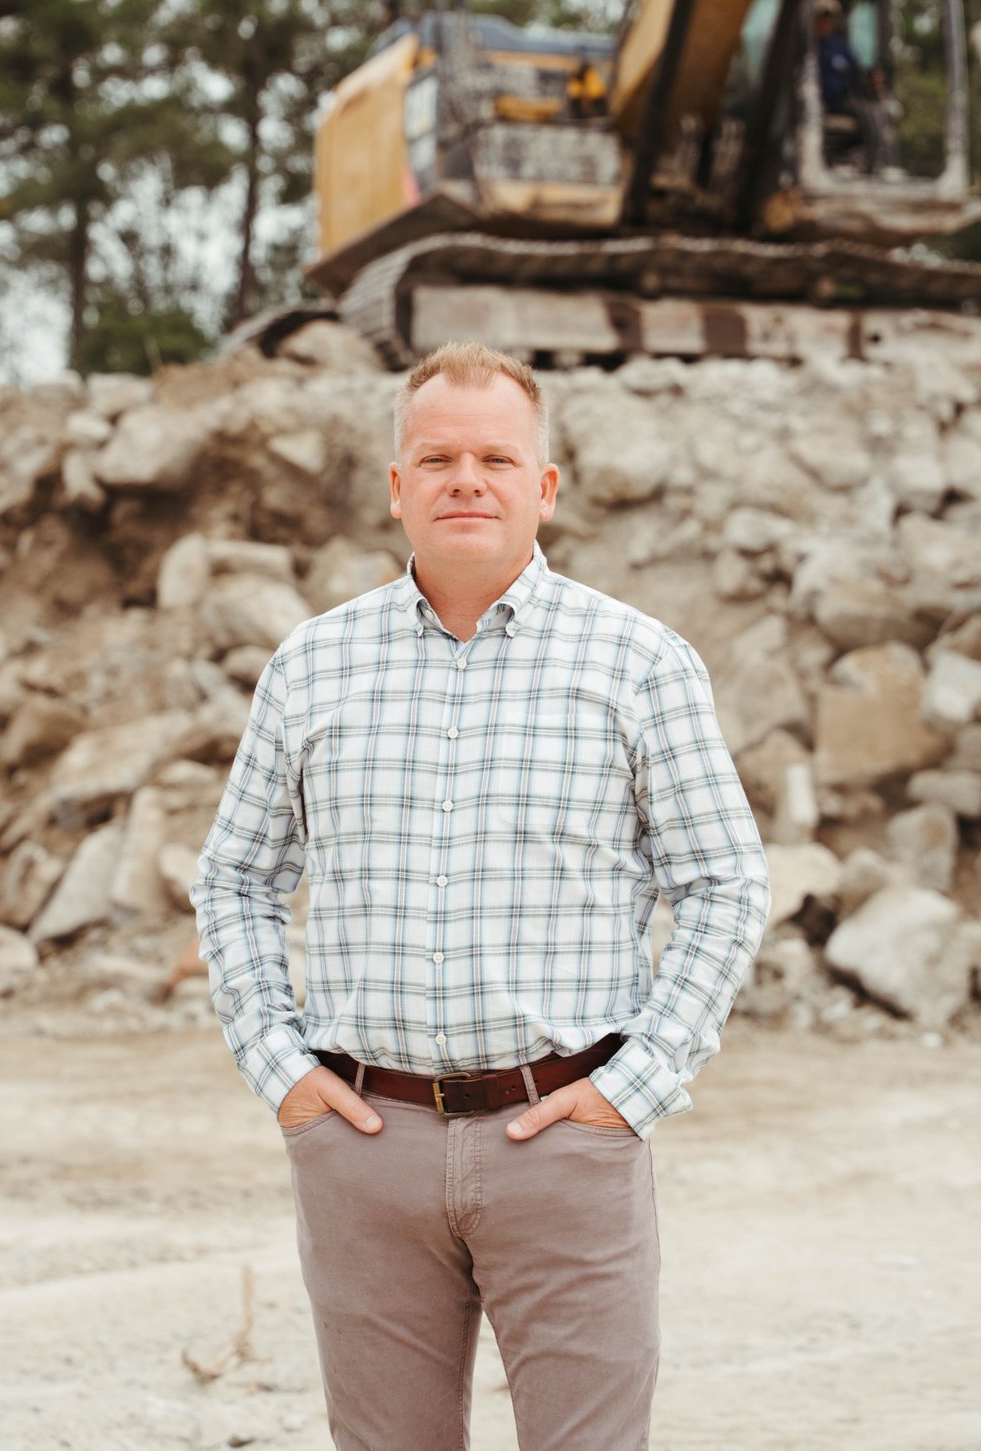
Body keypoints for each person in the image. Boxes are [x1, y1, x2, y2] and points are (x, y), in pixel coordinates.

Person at [191, 342, 769, 1451]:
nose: (468, 478)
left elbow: (724, 881)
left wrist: (634, 1089)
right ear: (396, 485)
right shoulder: (311, 666)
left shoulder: (639, 663)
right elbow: (234, 876)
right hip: (365, 1145)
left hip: (565, 1144)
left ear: (543, 486)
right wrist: (283, 1073)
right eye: (438, 456)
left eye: (497, 456)